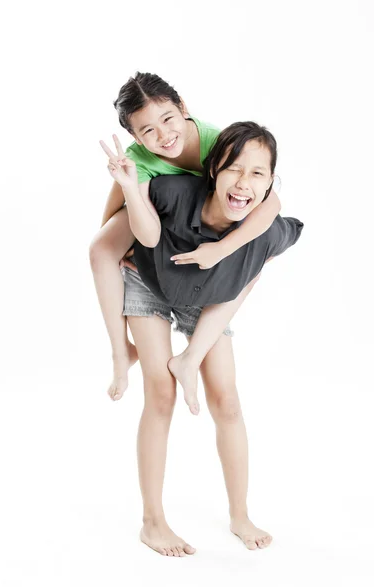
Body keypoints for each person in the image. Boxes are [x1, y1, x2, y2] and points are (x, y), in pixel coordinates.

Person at [100, 121, 303, 556]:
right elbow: (122, 232)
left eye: (258, 175)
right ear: (213, 169)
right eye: (233, 169)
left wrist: (196, 347)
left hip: (203, 297)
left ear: (270, 185)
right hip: (147, 279)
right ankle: (152, 522)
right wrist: (130, 187)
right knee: (160, 393)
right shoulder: (170, 190)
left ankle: (240, 514)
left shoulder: (267, 229)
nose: (243, 183)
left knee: (227, 401)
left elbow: (250, 276)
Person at [89, 72, 281, 402]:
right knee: (101, 247)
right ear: (134, 136)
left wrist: (222, 249)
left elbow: (272, 201)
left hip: (208, 217)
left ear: (183, 107)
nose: (164, 136)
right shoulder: (138, 158)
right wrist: (122, 214)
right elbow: (130, 219)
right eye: (148, 131)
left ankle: (192, 355)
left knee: (259, 253)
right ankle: (121, 352)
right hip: (158, 212)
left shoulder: (215, 141)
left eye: (168, 119)